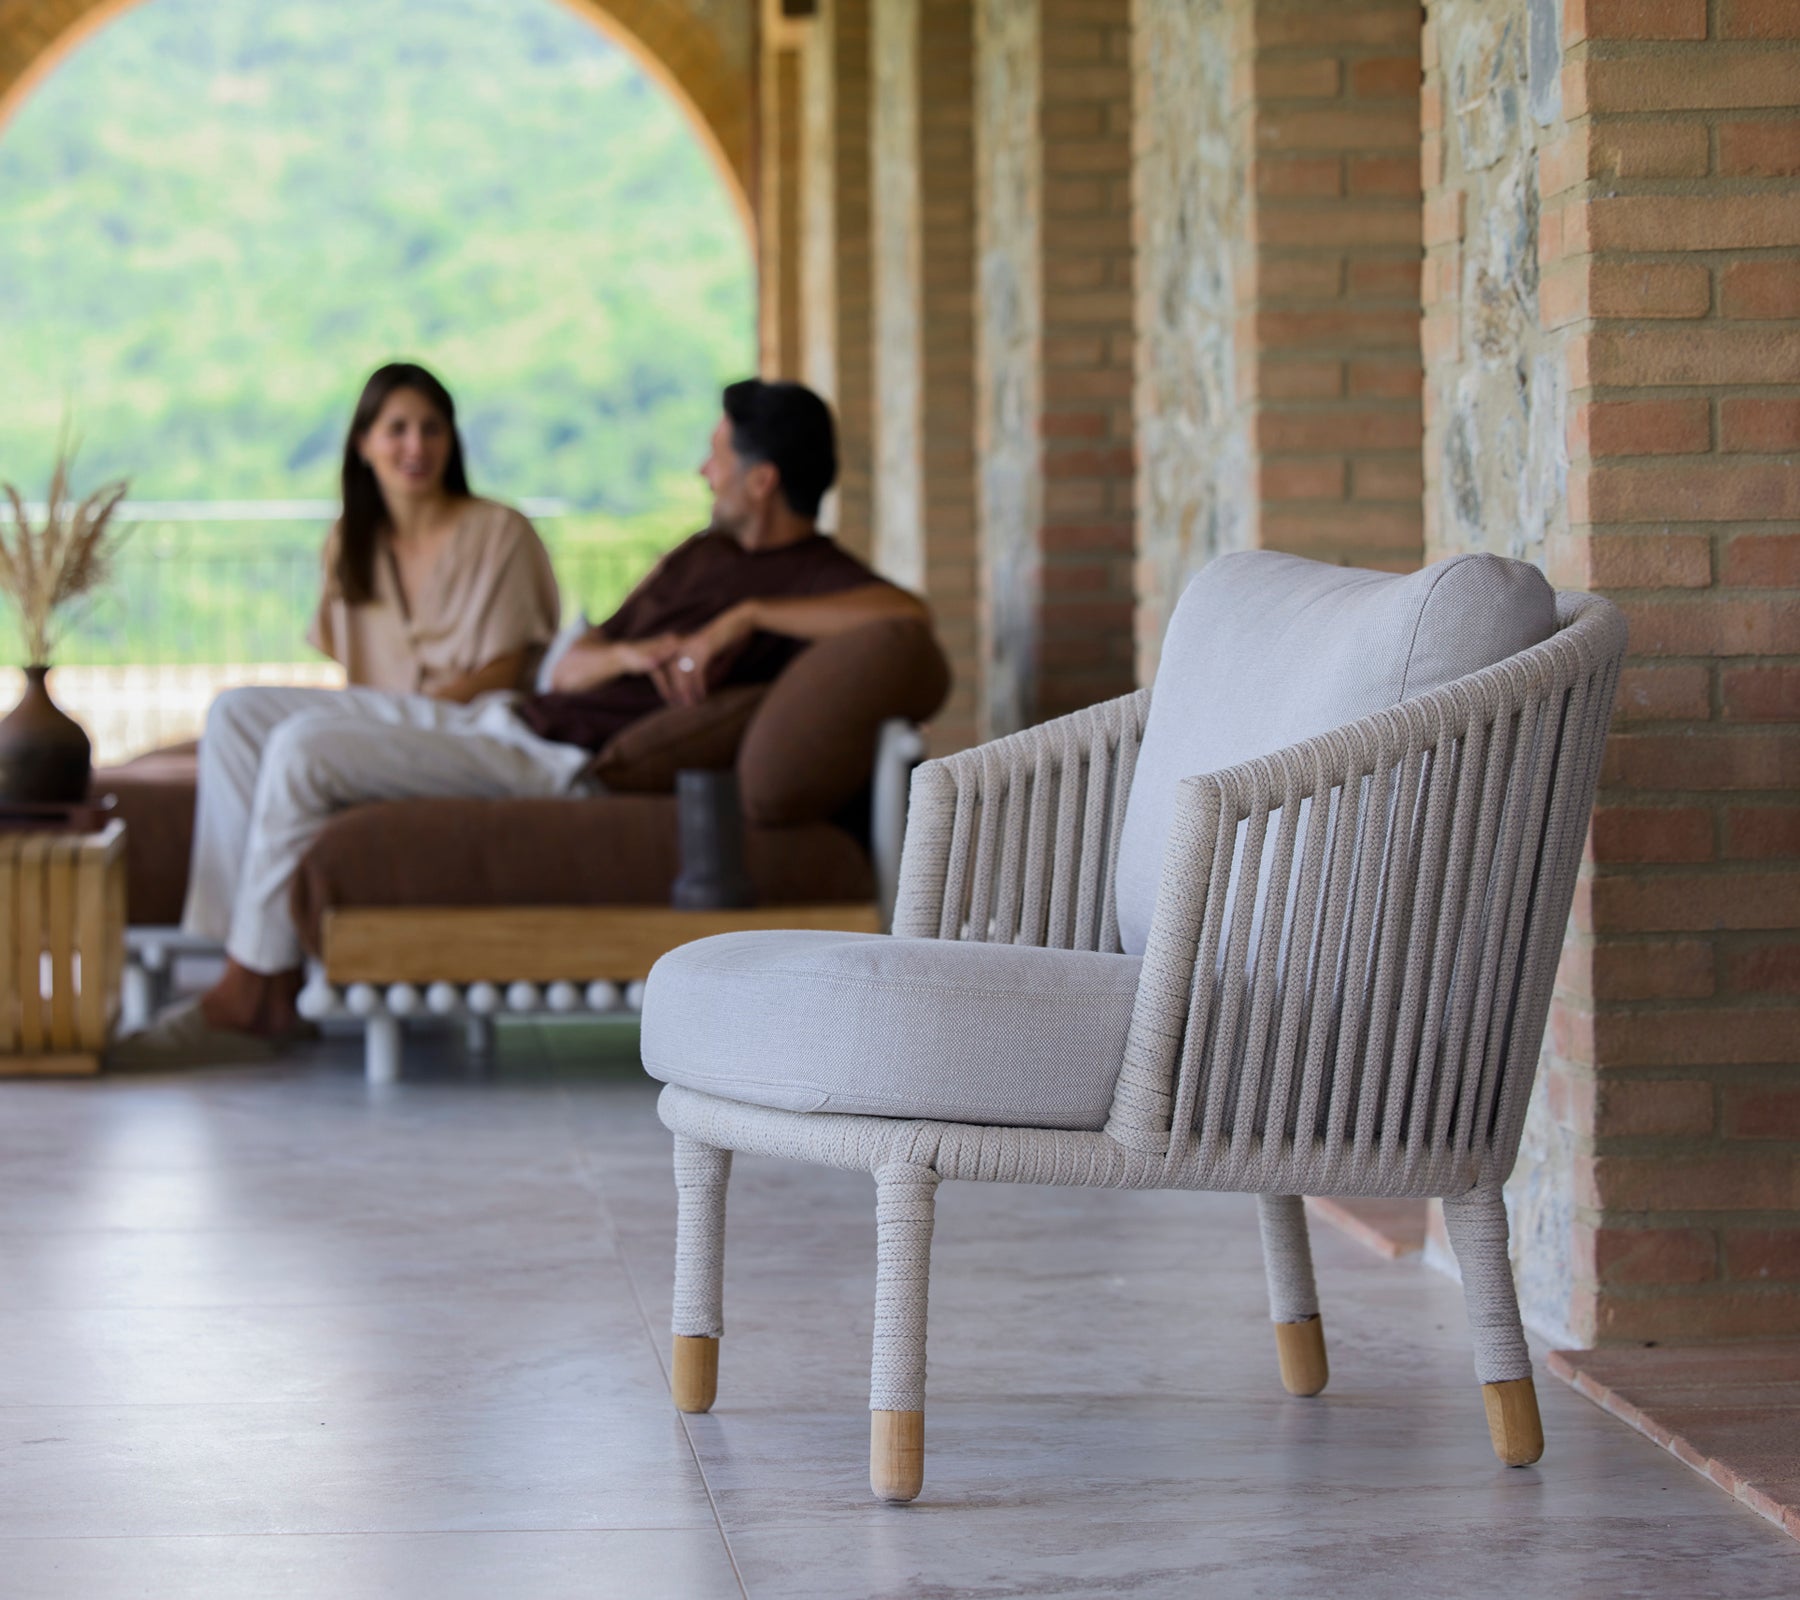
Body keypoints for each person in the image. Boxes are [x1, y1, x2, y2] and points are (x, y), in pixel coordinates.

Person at [115, 379, 931, 1061]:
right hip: (514, 718)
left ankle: (250, 999)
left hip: (562, 762)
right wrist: (626, 656)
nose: (701, 469)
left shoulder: (815, 577)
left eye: (716, 453)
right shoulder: (697, 555)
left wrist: (751, 615)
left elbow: (906, 618)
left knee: (302, 748)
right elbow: (567, 664)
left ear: (761, 479)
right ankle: (237, 958)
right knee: (242, 714)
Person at [309, 362, 560, 698]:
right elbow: (339, 648)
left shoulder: (501, 531)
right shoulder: (347, 541)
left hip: (473, 726)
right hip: (377, 725)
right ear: (363, 444)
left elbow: (508, 671)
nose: (416, 446)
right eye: (397, 429)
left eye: (432, 429)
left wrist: (409, 718)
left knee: (300, 740)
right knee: (234, 708)